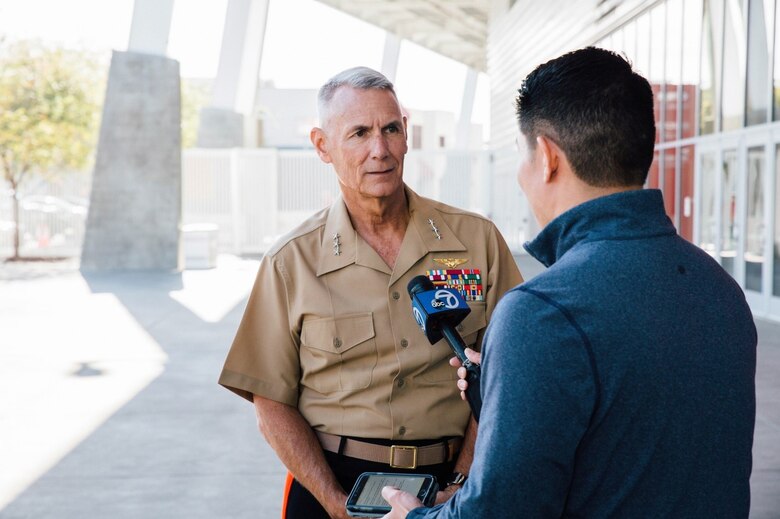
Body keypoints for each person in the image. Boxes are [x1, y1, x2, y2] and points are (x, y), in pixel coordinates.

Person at [382, 47, 757, 518]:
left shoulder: (542, 313)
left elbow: (499, 512)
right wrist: (508, 390)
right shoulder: (721, 290)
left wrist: (410, 516)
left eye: (521, 155)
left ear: (546, 157)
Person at [218, 66, 523, 519]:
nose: (379, 150)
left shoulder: (476, 242)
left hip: (453, 484)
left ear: (407, 135)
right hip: (335, 483)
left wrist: (460, 482)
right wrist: (335, 504)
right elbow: (271, 404)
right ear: (323, 146)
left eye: (390, 129)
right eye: (358, 133)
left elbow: (510, 369)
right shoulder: (291, 262)